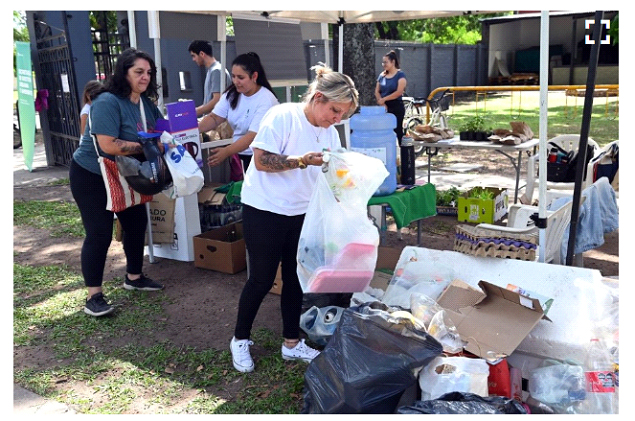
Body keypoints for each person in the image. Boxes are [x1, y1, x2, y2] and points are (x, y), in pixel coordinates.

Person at [229, 64, 359, 373]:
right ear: (317, 98)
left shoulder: (330, 132)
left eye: (343, 115)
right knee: (261, 279)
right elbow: (260, 161)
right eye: (335, 110)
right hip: (265, 209)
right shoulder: (283, 116)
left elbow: (334, 174)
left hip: (301, 213)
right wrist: (301, 161)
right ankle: (239, 340)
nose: (337, 119)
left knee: (295, 279)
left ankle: (291, 343)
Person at [69, 48, 167, 317]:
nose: (145, 77)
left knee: (136, 224)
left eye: (149, 73)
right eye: (139, 72)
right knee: (99, 233)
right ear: (124, 73)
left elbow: (162, 130)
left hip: (126, 172)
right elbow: (108, 145)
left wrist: (187, 127)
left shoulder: (145, 103)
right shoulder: (106, 102)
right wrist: (147, 146)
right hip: (91, 174)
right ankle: (94, 296)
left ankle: (134, 277)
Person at [197, 52, 279, 172]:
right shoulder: (231, 95)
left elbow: (253, 136)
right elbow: (214, 118)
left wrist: (227, 151)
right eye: (233, 76)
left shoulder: (266, 99)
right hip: (241, 154)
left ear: (254, 76)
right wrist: (192, 131)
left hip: (265, 157)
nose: (235, 81)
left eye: (241, 77)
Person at [188, 40, 231, 117]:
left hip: (218, 124)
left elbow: (217, 100)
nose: (193, 59)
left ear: (202, 54)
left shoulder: (216, 71)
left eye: (193, 56)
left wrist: (191, 112)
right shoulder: (213, 70)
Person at [375, 50, 407, 142]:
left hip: (396, 106)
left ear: (393, 62)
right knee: (385, 132)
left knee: (398, 131)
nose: (384, 64)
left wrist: (384, 99)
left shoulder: (400, 75)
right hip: (384, 107)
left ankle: (404, 153)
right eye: (383, 62)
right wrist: (381, 102)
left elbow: (399, 92)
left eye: (386, 62)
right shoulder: (382, 75)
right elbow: (377, 91)